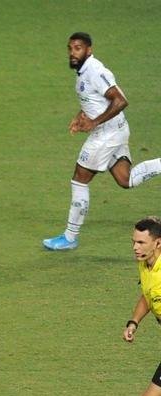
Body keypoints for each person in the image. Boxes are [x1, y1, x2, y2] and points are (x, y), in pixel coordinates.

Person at [42, 33, 161, 251]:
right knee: (126, 179)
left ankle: (70, 237)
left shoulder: (95, 70)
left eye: (78, 48)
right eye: (70, 48)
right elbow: (93, 99)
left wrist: (94, 122)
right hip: (115, 131)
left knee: (80, 178)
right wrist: (81, 115)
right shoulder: (83, 71)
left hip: (107, 134)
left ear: (89, 49)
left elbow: (120, 100)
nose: (72, 53)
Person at [109, 217, 161, 396]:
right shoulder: (146, 264)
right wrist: (134, 321)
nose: (135, 247)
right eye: (133, 242)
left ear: (157, 243)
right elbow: (147, 296)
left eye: (141, 242)